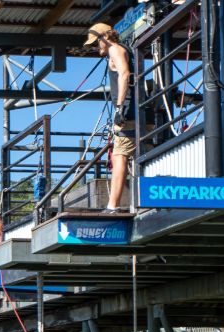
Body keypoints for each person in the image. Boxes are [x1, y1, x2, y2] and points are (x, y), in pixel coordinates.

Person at [84, 22, 135, 213]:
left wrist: (119, 109)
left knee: (119, 157)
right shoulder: (126, 49)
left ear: (104, 37)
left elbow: (124, 74)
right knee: (137, 154)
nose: (97, 47)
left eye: (97, 42)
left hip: (128, 113)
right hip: (137, 111)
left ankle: (112, 206)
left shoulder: (115, 50)